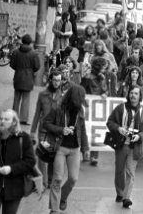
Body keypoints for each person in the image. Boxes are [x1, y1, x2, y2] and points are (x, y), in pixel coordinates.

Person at [0, 109, 36, 214]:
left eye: (6, 119)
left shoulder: (23, 138)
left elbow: (30, 161)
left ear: (14, 122)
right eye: (0, 118)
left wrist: (11, 169)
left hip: (14, 189)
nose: (2, 121)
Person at [44, 85, 89, 214]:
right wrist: (61, 130)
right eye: (80, 97)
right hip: (60, 147)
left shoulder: (81, 110)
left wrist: (85, 148)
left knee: (73, 179)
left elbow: (83, 129)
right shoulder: (58, 108)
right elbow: (46, 123)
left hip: (75, 149)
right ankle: (54, 208)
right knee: (57, 178)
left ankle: (62, 198)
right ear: (73, 97)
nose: (81, 100)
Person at [106, 85, 143, 208]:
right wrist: (118, 128)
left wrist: (140, 136)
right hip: (121, 144)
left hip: (135, 146)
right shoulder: (121, 108)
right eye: (131, 93)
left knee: (130, 172)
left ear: (140, 96)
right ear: (128, 94)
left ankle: (126, 197)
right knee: (119, 171)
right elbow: (110, 122)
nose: (133, 95)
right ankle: (120, 192)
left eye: (136, 93)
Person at [81, 57, 117, 165]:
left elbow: (106, 90)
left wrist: (106, 94)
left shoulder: (103, 77)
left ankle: (94, 156)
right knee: (86, 129)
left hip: (98, 107)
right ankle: (85, 151)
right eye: (103, 67)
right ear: (98, 67)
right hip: (88, 106)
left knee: (94, 129)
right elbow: (81, 90)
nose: (105, 70)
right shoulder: (88, 77)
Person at [30, 69, 63, 190]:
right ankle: (43, 183)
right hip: (43, 130)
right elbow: (37, 113)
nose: (56, 83)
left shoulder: (63, 96)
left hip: (55, 131)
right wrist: (33, 131)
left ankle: (49, 180)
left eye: (58, 80)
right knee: (42, 156)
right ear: (50, 80)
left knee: (53, 157)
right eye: (54, 80)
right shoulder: (42, 94)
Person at [10, 34, 40, 125]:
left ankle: (14, 118)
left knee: (16, 98)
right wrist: (30, 70)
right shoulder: (34, 53)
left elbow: (12, 64)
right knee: (26, 99)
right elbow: (37, 66)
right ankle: (23, 119)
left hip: (18, 76)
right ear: (30, 42)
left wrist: (18, 69)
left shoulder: (16, 52)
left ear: (22, 41)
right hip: (28, 77)